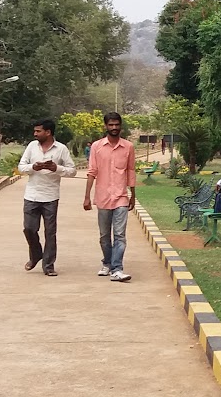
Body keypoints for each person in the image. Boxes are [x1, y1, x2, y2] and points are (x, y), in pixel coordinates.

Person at [82, 111, 136, 282]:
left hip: (121, 196)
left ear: (120, 126)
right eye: (111, 125)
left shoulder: (128, 147)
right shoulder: (97, 147)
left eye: (117, 124)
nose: (114, 128)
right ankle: (107, 262)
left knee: (119, 234)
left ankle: (117, 268)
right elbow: (92, 172)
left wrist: (133, 195)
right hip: (103, 197)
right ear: (105, 126)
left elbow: (131, 171)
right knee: (105, 235)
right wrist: (87, 197)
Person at [18, 117, 75, 276]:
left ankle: (48, 265)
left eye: (38, 131)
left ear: (48, 132)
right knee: (29, 228)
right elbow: (21, 167)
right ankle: (36, 254)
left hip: (50, 196)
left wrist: (56, 168)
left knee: (50, 232)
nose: (35, 134)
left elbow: (72, 171)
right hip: (31, 195)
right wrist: (33, 167)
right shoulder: (31, 146)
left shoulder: (61, 149)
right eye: (35, 131)